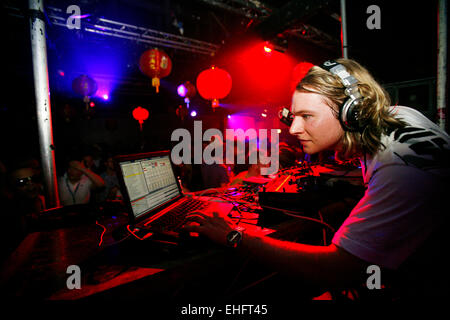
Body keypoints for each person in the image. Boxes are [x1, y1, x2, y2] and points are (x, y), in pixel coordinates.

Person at [183, 58, 450, 301]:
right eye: (293, 115)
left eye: (307, 116)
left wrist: (237, 237)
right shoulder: (400, 116)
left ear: (352, 113)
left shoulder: (398, 167)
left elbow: (335, 270)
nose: (295, 128)